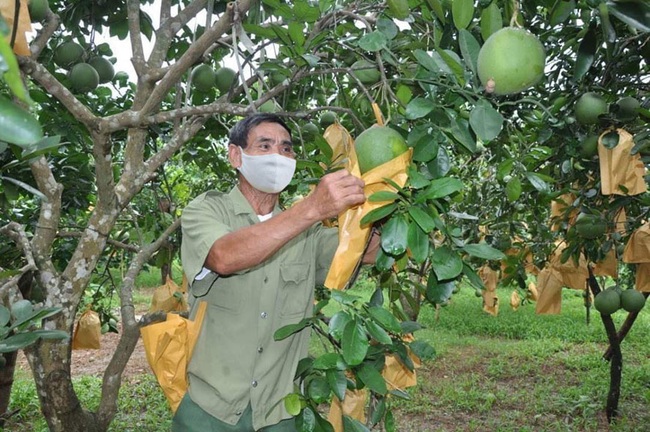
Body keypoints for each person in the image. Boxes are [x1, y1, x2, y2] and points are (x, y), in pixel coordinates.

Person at [173, 113, 379, 431]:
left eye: (286, 148)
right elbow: (224, 256)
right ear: (235, 155)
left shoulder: (308, 232)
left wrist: (381, 203)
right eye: (265, 145)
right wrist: (312, 208)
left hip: (279, 414)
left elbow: (367, 251)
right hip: (210, 411)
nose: (277, 156)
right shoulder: (207, 210)